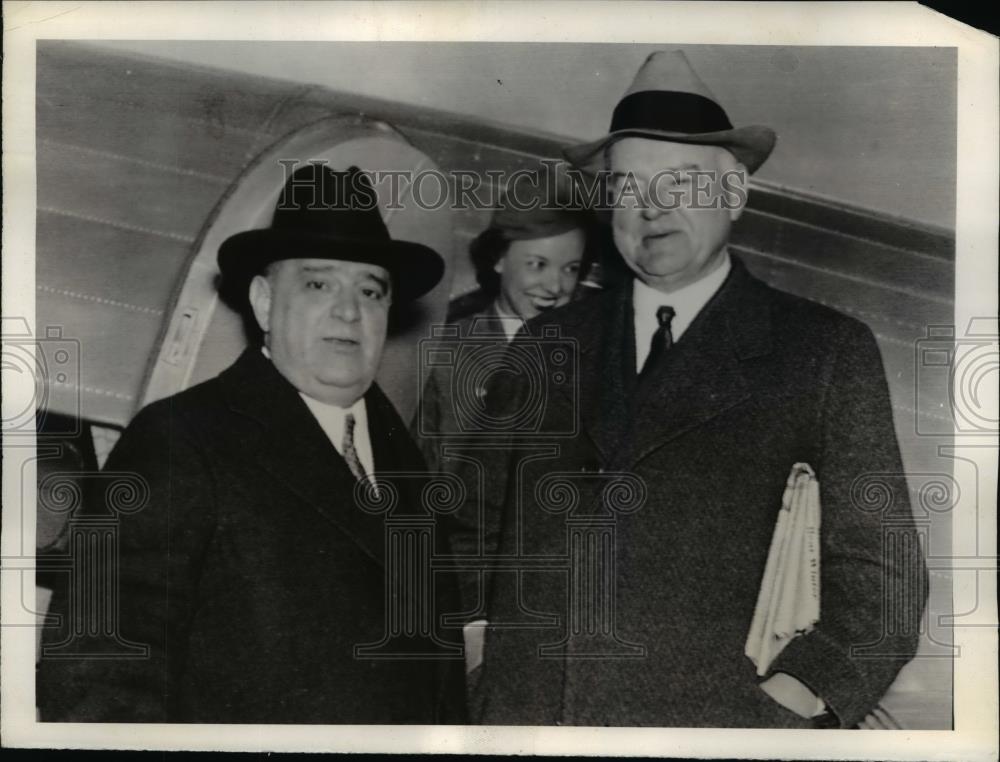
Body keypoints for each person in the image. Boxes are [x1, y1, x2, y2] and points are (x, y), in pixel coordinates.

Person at [464, 50, 927, 728]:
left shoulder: (823, 352)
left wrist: (790, 703)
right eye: (627, 185)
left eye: (681, 182)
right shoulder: (546, 343)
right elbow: (468, 527)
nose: (651, 207)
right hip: (526, 724)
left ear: (734, 193)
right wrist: (480, 666)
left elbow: (885, 581)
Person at [37, 164, 465, 724]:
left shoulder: (407, 465)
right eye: (318, 284)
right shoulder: (180, 440)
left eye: (370, 290)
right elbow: (101, 674)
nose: (348, 310)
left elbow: (442, 684)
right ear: (264, 301)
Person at [414, 184, 593, 474]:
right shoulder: (447, 351)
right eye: (537, 264)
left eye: (571, 268)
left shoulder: (591, 353)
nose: (555, 286)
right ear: (499, 259)